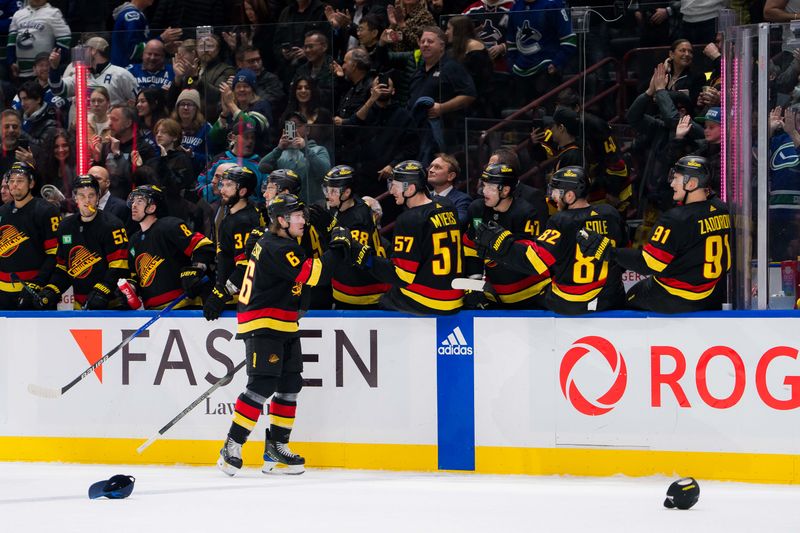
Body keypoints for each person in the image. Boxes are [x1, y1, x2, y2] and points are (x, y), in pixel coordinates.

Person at [217, 192, 347, 476]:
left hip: (282, 323)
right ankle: (232, 445)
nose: (304, 221)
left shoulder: (279, 243)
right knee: (262, 385)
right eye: (298, 216)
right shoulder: (278, 247)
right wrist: (337, 248)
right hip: (265, 323)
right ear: (281, 220)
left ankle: (276, 448)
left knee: (290, 385)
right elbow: (314, 275)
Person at [579, 156, 731, 313]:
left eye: (676, 179)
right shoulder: (721, 209)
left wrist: (608, 251)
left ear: (691, 184)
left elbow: (648, 264)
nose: (672, 183)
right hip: (710, 294)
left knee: (630, 296)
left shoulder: (675, 219)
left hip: (677, 296)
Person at [474, 166, 627, 315]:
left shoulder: (561, 221)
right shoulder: (610, 214)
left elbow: (535, 261)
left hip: (569, 303)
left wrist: (501, 244)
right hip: (609, 300)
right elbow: (622, 256)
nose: (552, 197)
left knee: (532, 296)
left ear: (569, 196)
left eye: (555, 191)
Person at [359, 160, 464, 315]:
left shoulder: (409, 219)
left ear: (411, 189)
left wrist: (364, 257)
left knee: (383, 300)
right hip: (455, 296)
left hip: (429, 301)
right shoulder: (447, 205)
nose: (391, 191)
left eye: (395, 185)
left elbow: (402, 276)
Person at [33, 175, 129, 310]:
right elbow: (63, 267)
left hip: (111, 305)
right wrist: (51, 290)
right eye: (82, 196)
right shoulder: (65, 226)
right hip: (79, 306)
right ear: (75, 198)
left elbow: (120, 266)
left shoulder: (113, 225)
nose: (87, 201)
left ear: (98, 197)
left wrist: (103, 290)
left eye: (91, 195)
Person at [463, 162, 548, 309]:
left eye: (490, 187)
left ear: (505, 190)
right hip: (495, 295)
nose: (484, 191)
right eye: (484, 185)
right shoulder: (477, 209)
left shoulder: (526, 213)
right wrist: (474, 282)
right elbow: (471, 248)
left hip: (532, 294)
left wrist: (501, 245)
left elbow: (531, 260)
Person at [126, 184, 214, 309]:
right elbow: (135, 275)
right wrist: (131, 288)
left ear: (152, 208)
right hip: (151, 311)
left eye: (140, 201)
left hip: (182, 306)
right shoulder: (134, 240)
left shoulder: (169, 226)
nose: (134, 205)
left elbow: (203, 246)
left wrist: (195, 270)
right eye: (133, 201)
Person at [314, 164, 389, 308]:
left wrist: (329, 229)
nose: (328, 195)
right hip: (344, 290)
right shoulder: (342, 206)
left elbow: (351, 258)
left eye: (333, 191)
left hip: (363, 294)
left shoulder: (359, 220)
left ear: (347, 192)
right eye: (327, 189)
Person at [203, 166, 264, 321]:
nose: (223, 189)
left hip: (242, 297)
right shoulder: (232, 215)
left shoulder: (244, 221)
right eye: (223, 184)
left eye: (229, 185)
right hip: (233, 294)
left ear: (242, 191)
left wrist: (222, 293)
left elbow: (246, 265)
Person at [0, 161, 60, 309]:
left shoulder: (46, 211)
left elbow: (55, 254)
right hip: (3, 293)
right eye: (11, 181)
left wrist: (38, 283)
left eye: (20, 181)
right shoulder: (2, 212)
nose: (14, 185)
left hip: (33, 292)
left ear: (31, 183)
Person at [259, 111, 331, 205]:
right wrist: (279, 149)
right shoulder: (280, 153)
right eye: (290, 126)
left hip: (312, 206)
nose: (294, 130)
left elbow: (325, 173)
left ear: (307, 130)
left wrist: (305, 149)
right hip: (286, 206)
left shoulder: (318, 150)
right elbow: (262, 167)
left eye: (298, 125)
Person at [49, 37, 139, 107]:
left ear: (93, 51)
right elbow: (58, 90)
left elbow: (137, 102)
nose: (81, 53)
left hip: (112, 128)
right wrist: (54, 68)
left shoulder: (121, 74)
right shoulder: (81, 75)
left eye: (85, 49)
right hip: (87, 128)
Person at [7, 0, 71, 79]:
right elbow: (11, 41)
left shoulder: (54, 13)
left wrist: (53, 62)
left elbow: (65, 39)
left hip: (44, 73)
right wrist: (11, 61)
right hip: (21, 72)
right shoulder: (18, 14)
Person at [171, 89, 212, 172]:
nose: (186, 108)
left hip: (197, 173)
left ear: (196, 108)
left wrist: (192, 155)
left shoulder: (206, 128)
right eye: (182, 104)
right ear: (177, 108)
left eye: (189, 105)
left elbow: (211, 158)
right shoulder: (170, 126)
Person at [427, 153, 471, 228]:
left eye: (437, 167)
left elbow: (457, 223)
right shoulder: (425, 197)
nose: (431, 170)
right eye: (431, 167)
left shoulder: (462, 200)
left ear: (450, 176)